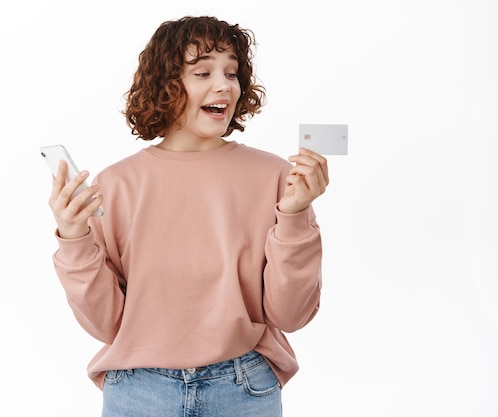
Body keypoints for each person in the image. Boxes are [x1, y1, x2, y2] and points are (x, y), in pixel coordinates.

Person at [47, 15, 328, 417]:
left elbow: (290, 314)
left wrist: (296, 216)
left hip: (243, 388)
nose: (224, 86)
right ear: (166, 84)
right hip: (137, 391)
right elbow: (106, 324)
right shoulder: (115, 184)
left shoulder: (277, 178)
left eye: (232, 72)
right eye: (203, 72)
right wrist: (74, 240)